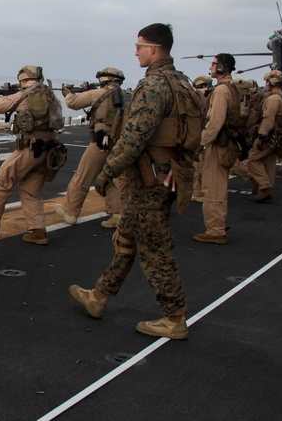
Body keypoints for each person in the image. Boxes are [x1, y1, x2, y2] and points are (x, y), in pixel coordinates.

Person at [68, 23, 191, 340]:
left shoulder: (153, 86)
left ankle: (174, 318)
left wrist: (107, 172)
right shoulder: (182, 83)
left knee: (154, 249)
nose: (135, 51)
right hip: (168, 174)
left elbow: (134, 139)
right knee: (126, 240)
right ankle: (98, 297)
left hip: (150, 180)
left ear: (153, 48)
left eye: (139, 45)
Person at [0, 65, 64, 245]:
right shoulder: (51, 96)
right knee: (31, 192)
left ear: (23, 79)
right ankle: (38, 230)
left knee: (2, 180)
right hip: (49, 150)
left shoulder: (25, 95)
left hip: (30, 148)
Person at [54, 67, 129, 228]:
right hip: (119, 143)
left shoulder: (99, 93)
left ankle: (71, 211)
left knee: (83, 176)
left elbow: (73, 103)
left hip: (101, 142)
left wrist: (68, 93)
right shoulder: (127, 96)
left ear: (104, 80)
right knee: (107, 177)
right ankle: (118, 212)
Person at [192, 55, 238, 244]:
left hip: (218, 145)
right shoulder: (231, 88)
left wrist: (201, 144)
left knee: (212, 188)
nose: (210, 67)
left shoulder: (220, 91)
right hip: (227, 144)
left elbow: (215, 121)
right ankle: (220, 223)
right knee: (220, 185)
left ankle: (215, 230)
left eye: (213, 64)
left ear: (221, 67)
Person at [246, 70, 282, 202]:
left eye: (267, 82)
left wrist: (261, 137)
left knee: (252, 161)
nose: (265, 84)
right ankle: (266, 191)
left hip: (269, 135)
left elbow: (268, 119)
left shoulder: (273, 99)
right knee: (268, 163)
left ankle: (265, 186)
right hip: (278, 134)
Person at [190, 75, 212, 202]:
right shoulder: (203, 98)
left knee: (198, 166)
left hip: (201, 136)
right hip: (200, 135)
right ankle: (198, 191)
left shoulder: (201, 98)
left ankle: (198, 191)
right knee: (199, 165)